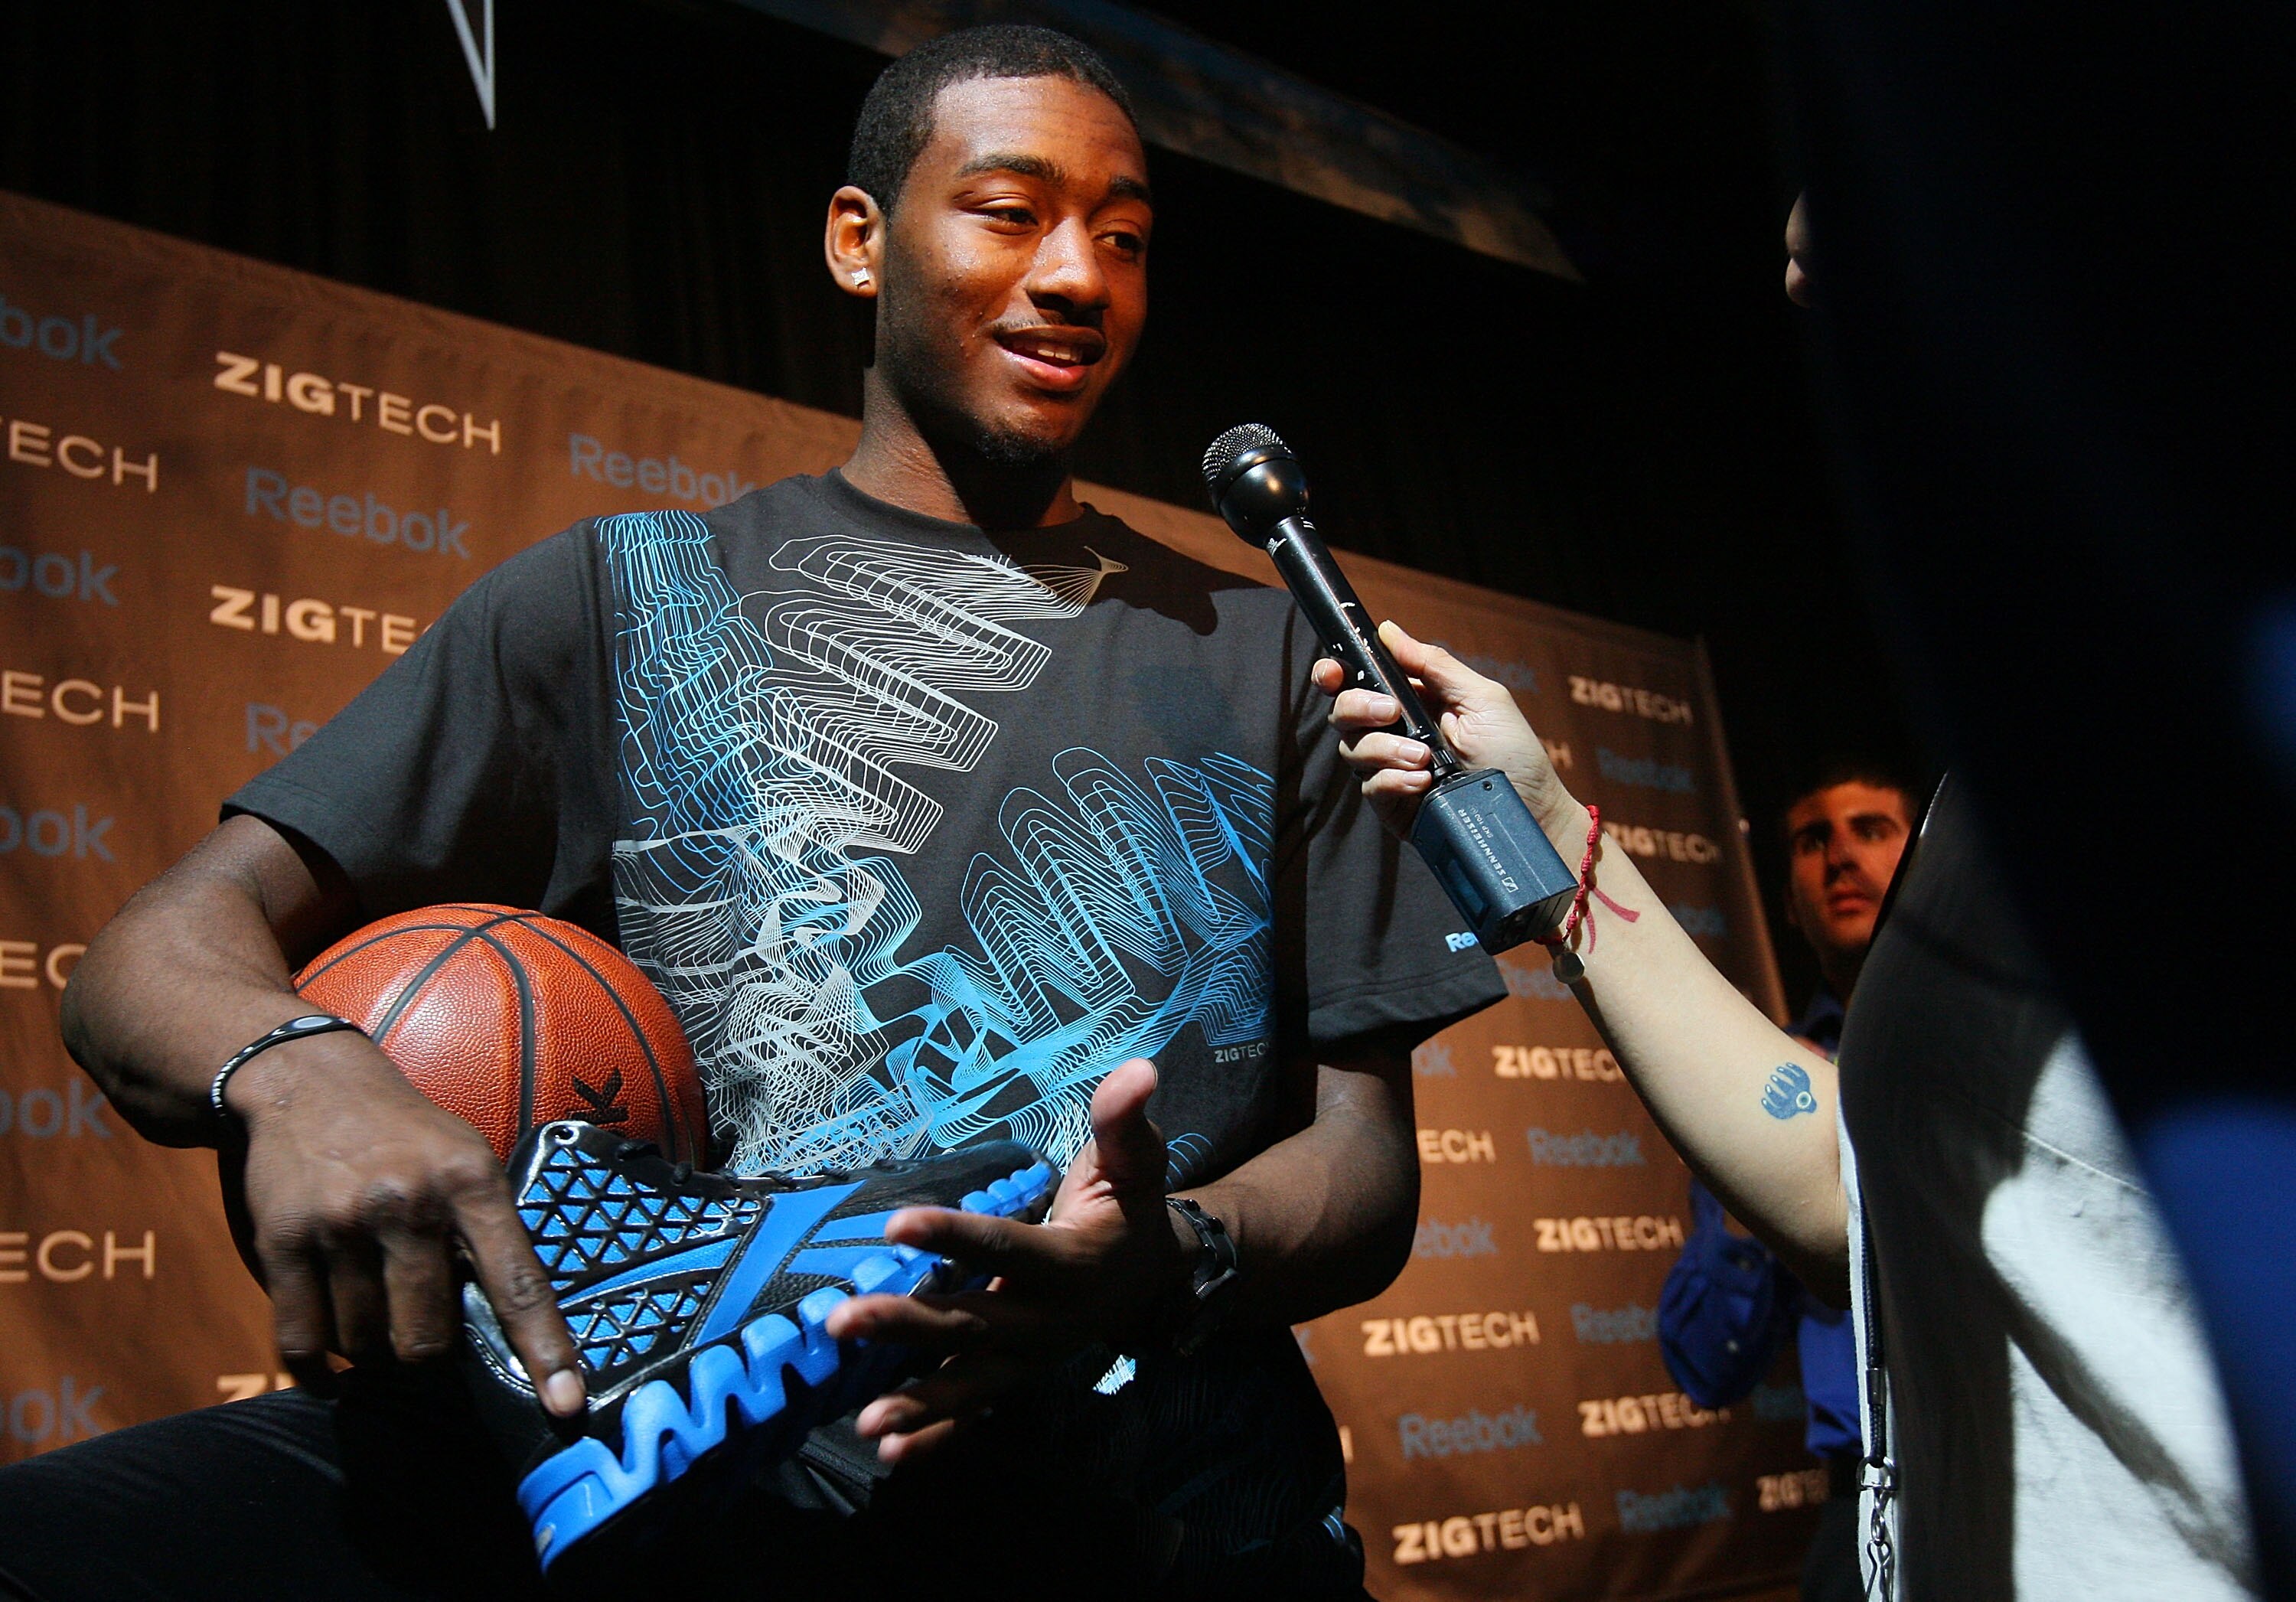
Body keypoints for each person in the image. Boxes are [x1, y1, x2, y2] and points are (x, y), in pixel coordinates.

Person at [0, 27, 1502, 1600]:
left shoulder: (1271, 652)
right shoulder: (619, 599)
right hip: (678, 1483)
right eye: (1010, 213)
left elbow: (1363, 1160)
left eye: (1122, 238)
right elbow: (151, 955)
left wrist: (1174, 1252)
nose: (1078, 276)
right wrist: (301, 1069)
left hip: (1149, 1505)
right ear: (860, 241)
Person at [1314, 206, 2255, 1594]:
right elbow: (1840, 1182)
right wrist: (1550, 830)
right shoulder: (2031, 742)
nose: (1799, 244)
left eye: (1852, 160)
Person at [1659, 759, 1914, 1602]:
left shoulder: (2017, 1044)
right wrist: (1760, 1163)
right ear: (1789, 903)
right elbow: (1708, 1366)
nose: (1840, 856)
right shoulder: (1771, 1086)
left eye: (1870, 829)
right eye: (1812, 841)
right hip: (1866, 1509)